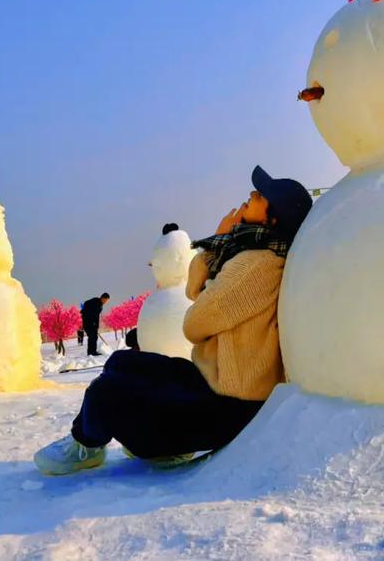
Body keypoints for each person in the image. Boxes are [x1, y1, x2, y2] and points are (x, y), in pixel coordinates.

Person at [34, 166, 312, 475]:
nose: (249, 196)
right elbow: (196, 291)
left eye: (259, 196)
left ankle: (86, 445)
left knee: (107, 392)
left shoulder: (255, 264)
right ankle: (124, 441)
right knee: (123, 363)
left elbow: (195, 322)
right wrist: (218, 245)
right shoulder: (249, 254)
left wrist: (218, 242)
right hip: (213, 380)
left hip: (229, 405)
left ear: (272, 218)